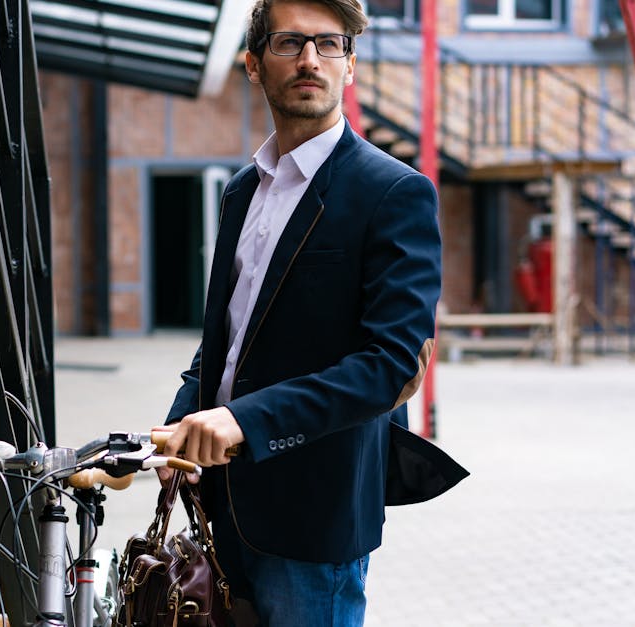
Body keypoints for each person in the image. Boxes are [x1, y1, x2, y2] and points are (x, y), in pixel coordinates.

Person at [154, 0, 468, 625]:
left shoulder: (394, 193)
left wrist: (243, 422)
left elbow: (387, 365)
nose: (309, 60)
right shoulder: (243, 191)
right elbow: (227, 339)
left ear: (349, 65)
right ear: (253, 64)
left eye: (328, 44)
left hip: (314, 515)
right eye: (289, 42)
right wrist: (176, 431)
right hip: (221, 504)